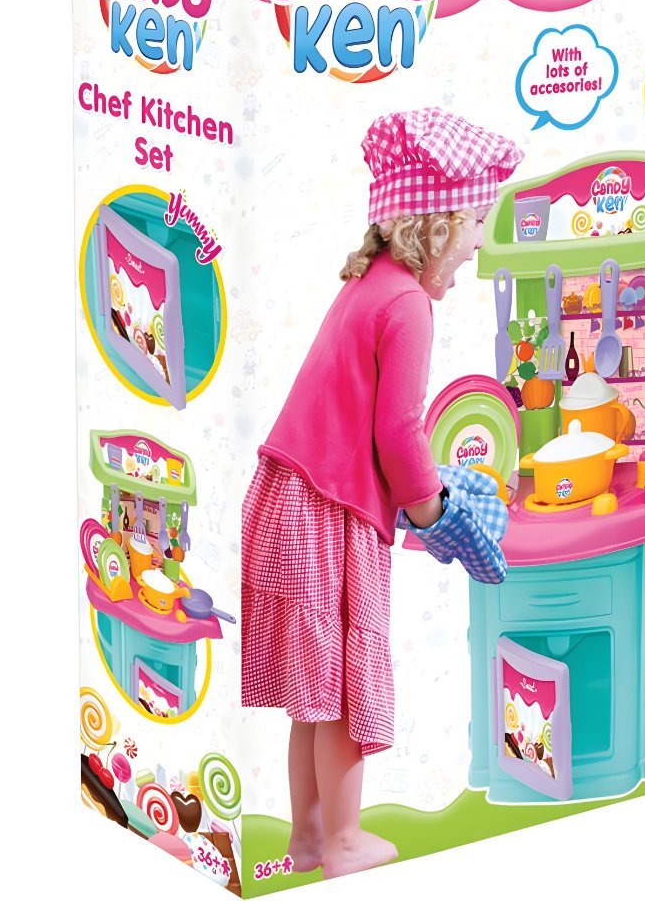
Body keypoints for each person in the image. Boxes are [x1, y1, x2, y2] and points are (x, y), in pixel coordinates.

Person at [240, 108, 522, 879]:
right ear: (440, 223)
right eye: (474, 225)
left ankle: (306, 838)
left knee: (313, 692)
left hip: (288, 495)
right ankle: (342, 843)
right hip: (330, 508)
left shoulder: (371, 284)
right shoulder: (407, 305)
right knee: (343, 684)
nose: (477, 245)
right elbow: (399, 433)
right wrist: (435, 512)